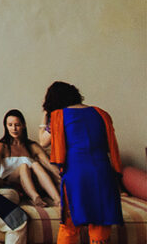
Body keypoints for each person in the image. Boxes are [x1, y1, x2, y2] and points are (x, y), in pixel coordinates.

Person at [42, 81, 124, 244]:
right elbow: (108, 145)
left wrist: (45, 115)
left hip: (77, 175)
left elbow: (43, 141)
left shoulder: (58, 116)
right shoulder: (101, 113)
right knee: (100, 222)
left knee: (70, 225)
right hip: (103, 173)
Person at [0, 109, 60, 206]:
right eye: (10, 125)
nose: (14, 128)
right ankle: (36, 198)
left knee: (35, 164)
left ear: (23, 125)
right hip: (11, 183)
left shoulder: (32, 146)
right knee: (24, 166)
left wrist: (64, 177)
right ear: (6, 126)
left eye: (17, 125)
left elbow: (50, 166)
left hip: (34, 183)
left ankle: (58, 200)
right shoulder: (1, 146)